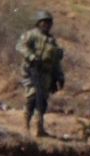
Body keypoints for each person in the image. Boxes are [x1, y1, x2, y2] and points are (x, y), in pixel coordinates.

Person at [15, 9, 64, 138]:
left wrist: (59, 76)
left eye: (49, 22)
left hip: (46, 75)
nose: (47, 25)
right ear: (38, 23)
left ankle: (39, 128)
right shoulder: (31, 34)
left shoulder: (51, 41)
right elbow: (20, 46)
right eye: (44, 22)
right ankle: (25, 127)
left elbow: (55, 61)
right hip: (32, 71)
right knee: (31, 98)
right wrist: (31, 56)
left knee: (42, 101)